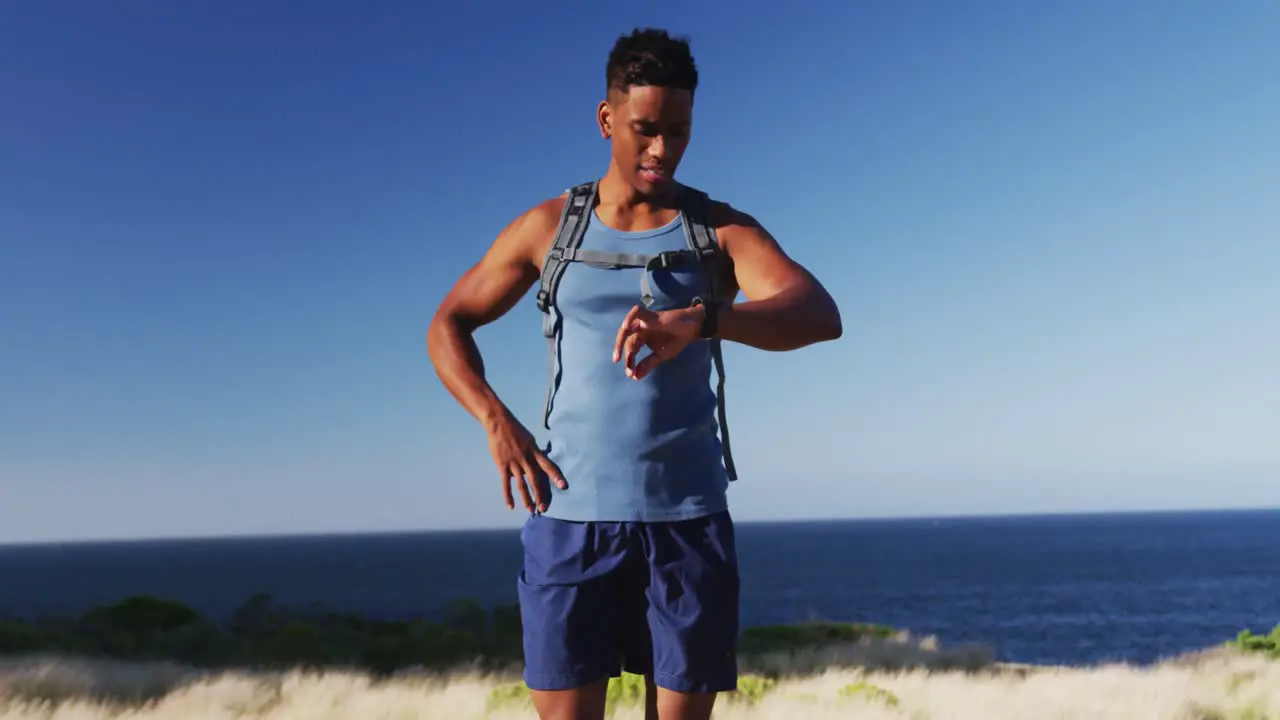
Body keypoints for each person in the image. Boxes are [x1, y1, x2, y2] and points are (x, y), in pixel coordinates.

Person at [426, 27, 842, 720]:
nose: (662, 150)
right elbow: (448, 324)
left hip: (686, 519)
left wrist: (703, 318)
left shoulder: (717, 230)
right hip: (568, 517)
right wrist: (496, 422)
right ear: (606, 118)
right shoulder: (548, 229)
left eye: (678, 131)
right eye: (646, 130)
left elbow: (816, 313)